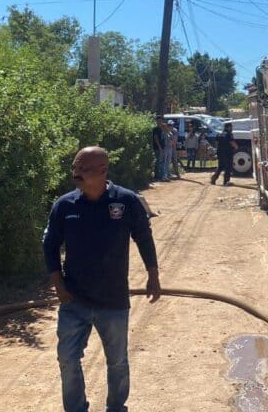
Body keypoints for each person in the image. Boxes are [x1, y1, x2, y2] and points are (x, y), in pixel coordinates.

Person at [42, 146, 161, 412]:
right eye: (75, 168)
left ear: (102, 171)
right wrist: (58, 283)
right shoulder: (64, 205)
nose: (76, 174)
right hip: (74, 299)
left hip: (113, 300)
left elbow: (143, 238)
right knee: (67, 358)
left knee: (117, 362)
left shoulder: (126, 201)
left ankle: (116, 408)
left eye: (83, 169)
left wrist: (153, 274)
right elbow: (49, 244)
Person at [210, 122, 237, 186]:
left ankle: (214, 178)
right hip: (228, 153)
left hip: (220, 153)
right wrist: (236, 147)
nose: (231, 128)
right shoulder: (229, 134)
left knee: (220, 166)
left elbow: (216, 143)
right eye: (231, 127)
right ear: (229, 127)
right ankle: (226, 181)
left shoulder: (219, 134)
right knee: (228, 168)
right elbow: (232, 142)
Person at [150, 116, 168, 181]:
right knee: (158, 162)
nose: (160, 122)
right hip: (157, 148)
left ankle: (163, 176)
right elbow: (156, 138)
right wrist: (159, 147)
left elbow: (167, 134)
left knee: (163, 161)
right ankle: (157, 176)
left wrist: (165, 128)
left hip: (163, 147)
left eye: (161, 120)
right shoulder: (156, 129)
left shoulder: (162, 128)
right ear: (156, 121)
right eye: (159, 120)